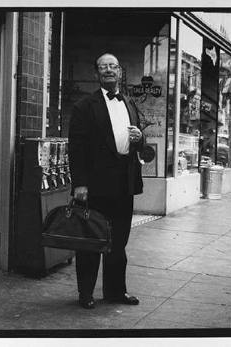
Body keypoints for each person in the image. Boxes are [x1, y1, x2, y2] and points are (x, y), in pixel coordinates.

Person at [68, 53, 144, 309]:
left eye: (113, 66)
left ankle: (115, 292)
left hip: (125, 184)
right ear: (96, 74)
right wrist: (80, 184)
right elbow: (76, 149)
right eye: (103, 67)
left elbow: (138, 144)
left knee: (119, 243)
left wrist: (139, 139)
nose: (108, 70)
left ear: (120, 71)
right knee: (90, 241)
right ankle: (85, 294)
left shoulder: (130, 103)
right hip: (96, 186)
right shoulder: (84, 107)